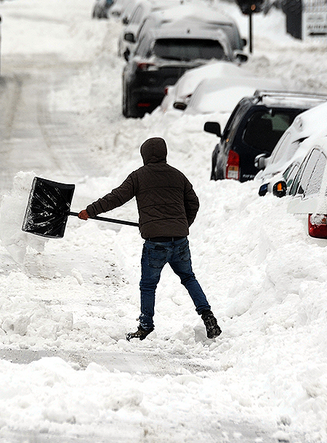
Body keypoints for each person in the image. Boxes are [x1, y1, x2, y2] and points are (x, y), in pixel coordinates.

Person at [77, 137, 221, 341]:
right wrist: (181, 224)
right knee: (189, 278)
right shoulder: (178, 176)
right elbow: (194, 203)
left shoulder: (138, 176)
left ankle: (145, 326)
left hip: (155, 243)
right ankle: (208, 316)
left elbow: (116, 197)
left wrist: (90, 211)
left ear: (144, 155)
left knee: (148, 285)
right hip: (179, 240)